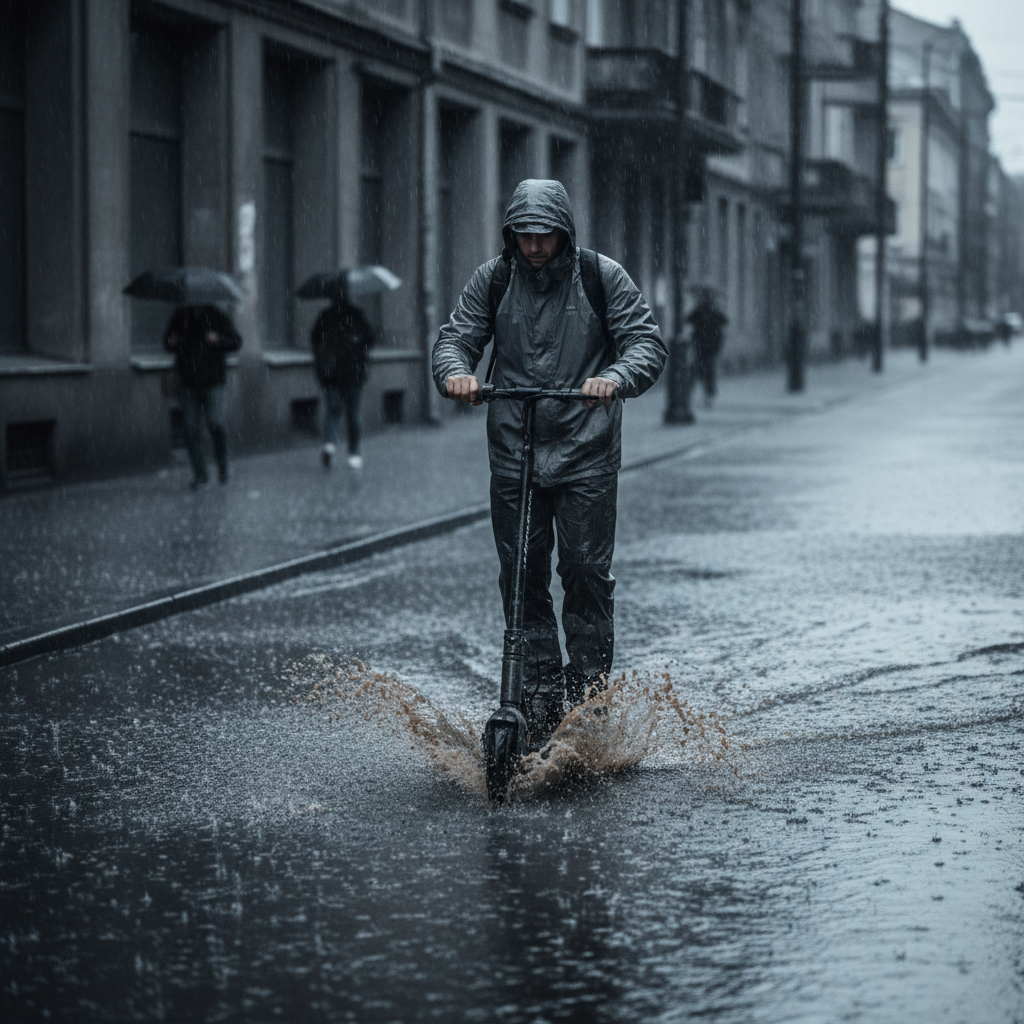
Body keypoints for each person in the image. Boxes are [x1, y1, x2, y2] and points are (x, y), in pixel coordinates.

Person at [431, 178, 666, 746]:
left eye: (546, 235)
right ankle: (534, 694)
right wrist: (455, 372)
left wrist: (614, 376)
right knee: (520, 577)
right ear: (511, 233)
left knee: (584, 572)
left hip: (586, 447)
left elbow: (646, 344)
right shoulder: (493, 280)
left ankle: (587, 697)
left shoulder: (600, 277)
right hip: (516, 450)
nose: (535, 246)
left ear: (565, 231)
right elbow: (455, 338)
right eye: (525, 235)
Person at [163, 304, 242, 488]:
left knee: (216, 423)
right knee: (190, 430)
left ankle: (222, 465)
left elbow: (236, 341)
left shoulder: (217, 316)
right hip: (188, 381)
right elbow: (167, 342)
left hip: (213, 380)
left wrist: (219, 339)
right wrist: (171, 342)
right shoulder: (180, 316)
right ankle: (200, 474)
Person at [311, 294, 375, 470]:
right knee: (353, 412)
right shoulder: (356, 316)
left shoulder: (325, 316)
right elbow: (371, 339)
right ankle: (354, 454)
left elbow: (314, 340)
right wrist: (357, 342)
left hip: (331, 373)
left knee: (333, 410)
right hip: (353, 372)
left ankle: (329, 445)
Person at [687, 289, 728, 403]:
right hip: (708, 347)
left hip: (703, 347)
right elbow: (724, 322)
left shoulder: (701, 311)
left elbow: (688, 319)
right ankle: (708, 394)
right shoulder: (712, 311)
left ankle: (697, 393)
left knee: (699, 371)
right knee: (707, 372)